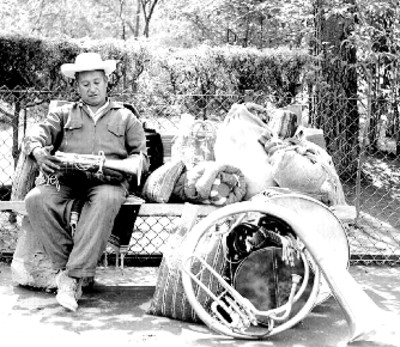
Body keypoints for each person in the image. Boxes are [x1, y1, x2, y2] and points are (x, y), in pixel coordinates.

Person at [23, 52, 148, 311]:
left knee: (108, 198)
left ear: (106, 82)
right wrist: (37, 150)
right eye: (85, 84)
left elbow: (141, 157)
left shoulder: (126, 117)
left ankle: (72, 277)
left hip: (109, 181)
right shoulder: (63, 113)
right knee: (36, 199)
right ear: (77, 86)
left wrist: (134, 164)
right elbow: (38, 132)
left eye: (96, 82)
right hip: (66, 179)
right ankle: (69, 268)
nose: (92, 89)